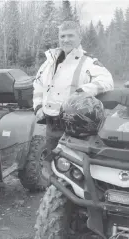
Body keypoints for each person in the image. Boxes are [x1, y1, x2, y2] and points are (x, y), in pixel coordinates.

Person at [32, 21, 114, 177]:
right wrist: (37, 107)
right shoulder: (49, 62)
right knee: (53, 167)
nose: (66, 39)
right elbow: (38, 85)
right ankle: (54, 195)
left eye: (70, 35)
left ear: (79, 37)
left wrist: (82, 91)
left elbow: (107, 81)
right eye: (62, 36)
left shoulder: (88, 62)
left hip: (75, 128)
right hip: (52, 125)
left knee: (74, 170)